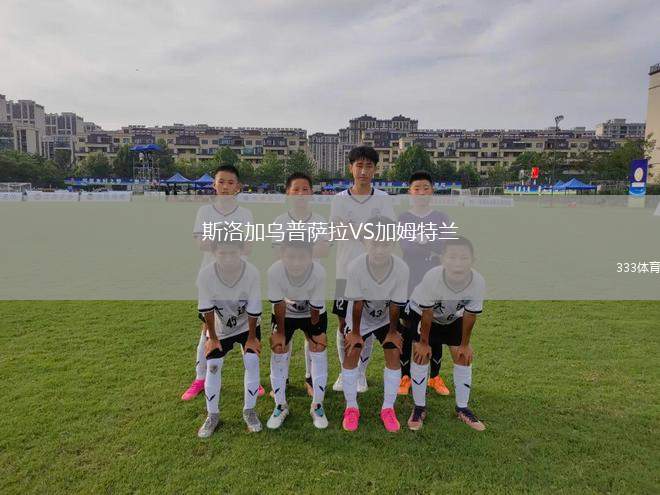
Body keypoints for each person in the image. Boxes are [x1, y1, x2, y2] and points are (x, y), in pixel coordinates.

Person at [182, 165, 263, 401]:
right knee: (208, 329)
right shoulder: (205, 212)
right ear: (214, 184)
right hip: (212, 278)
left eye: (230, 182)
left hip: (240, 278)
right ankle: (200, 377)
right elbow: (200, 243)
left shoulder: (245, 214)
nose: (225, 187)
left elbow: (248, 247)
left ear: (238, 187)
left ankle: (253, 379)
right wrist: (229, 241)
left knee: (245, 326)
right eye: (221, 182)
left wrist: (221, 240)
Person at [330, 146, 395, 393]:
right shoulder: (339, 199)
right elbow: (337, 231)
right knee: (343, 325)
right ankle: (345, 370)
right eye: (359, 165)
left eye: (369, 166)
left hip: (374, 273)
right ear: (351, 168)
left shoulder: (383, 199)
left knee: (366, 326)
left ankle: (360, 373)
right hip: (345, 272)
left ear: (375, 170)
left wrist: (354, 229)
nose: (363, 171)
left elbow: (387, 232)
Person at [406, 237, 486, 431]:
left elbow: (470, 315)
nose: (458, 262)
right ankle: (419, 407)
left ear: (473, 260)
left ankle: (462, 408)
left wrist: (465, 345)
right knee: (420, 354)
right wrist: (424, 343)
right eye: (452, 257)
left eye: (464, 257)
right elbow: (427, 313)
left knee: (463, 356)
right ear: (442, 259)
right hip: (423, 314)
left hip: (451, 317)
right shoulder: (433, 278)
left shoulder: (477, 281)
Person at [340, 217, 409, 432]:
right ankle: (351, 407)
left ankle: (388, 408)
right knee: (352, 350)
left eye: (385, 244)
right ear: (364, 242)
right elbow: (357, 302)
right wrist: (356, 333)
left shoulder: (401, 268)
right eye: (374, 243)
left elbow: (396, 304)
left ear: (394, 243)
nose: (379, 250)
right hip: (360, 316)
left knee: (393, 351)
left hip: (386, 317)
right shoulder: (356, 266)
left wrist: (393, 332)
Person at [196, 238, 263, 437]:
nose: (228, 258)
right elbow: (207, 308)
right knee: (213, 365)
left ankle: (249, 411)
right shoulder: (206, 275)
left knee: (252, 360)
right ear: (213, 253)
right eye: (222, 253)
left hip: (247, 326)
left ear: (241, 251)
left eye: (233, 253)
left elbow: (254, 307)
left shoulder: (251, 273)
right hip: (220, 328)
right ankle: (212, 415)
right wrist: (212, 338)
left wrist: (252, 338)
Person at [271, 172, 330, 396]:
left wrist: (296, 251)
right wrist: (303, 250)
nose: (301, 193)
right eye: (296, 189)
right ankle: (282, 379)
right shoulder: (280, 221)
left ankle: (310, 377)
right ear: (288, 193)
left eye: (305, 189)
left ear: (311, 193)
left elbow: (323, 250)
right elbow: (278, 253)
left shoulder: (319, 221)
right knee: (282, 338)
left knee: (312, 336)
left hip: (312, 285)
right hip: (286, 288)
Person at [398, 170, 452, 397]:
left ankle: (434, 377)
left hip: (436, 279)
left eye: (425, 188)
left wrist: (423, 243)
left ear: (432, 191)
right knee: (408, 328)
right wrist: (431, 243)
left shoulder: (441, 217)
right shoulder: (403, 218)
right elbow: (406, 247)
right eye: (416, 188)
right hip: (410, 280)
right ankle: (405, 376)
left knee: (435, 327)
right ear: (410, 192)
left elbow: (445, 246)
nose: (421, 192)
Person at [266, 239, 329, 429]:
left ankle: (317, 406)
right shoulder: (274, 271)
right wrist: (280, 334)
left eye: (302, 257)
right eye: (291, 257)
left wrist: (315, 334)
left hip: (312, 313)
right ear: (281, 255)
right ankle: (280, 405)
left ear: (311, 256)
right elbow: (278, 304)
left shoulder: (319, 272)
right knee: (279, 347)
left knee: (318, 347)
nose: (296, 262)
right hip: (285, 313)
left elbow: (315, 311)